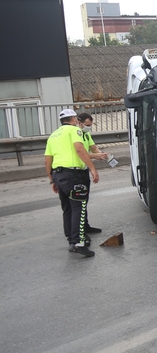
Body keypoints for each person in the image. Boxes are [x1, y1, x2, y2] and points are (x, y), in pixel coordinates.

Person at [44, 109, 100, 257]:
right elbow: (79, 149)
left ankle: (71, 239)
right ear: (74, 119)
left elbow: (47, 160)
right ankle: (78, 243)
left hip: (59, 175)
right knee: (79, 208)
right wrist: (93, 168)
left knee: (67, 208)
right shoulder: (75, 131)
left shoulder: (53, 135)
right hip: (74, 175)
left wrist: (52, 180)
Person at [77, 113, 108, 234]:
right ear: (79, 123)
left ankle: (85, 226)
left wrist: (101, 154)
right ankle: (79, 232)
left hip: (84, 170)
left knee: (84, 200)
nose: (88, 127)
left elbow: (93, 148)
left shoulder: (86, 134)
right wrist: (96, 156)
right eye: (87, 125)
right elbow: (80, 153)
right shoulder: (76, 135)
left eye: (90, 125)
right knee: (78, 203)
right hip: (76, 171)